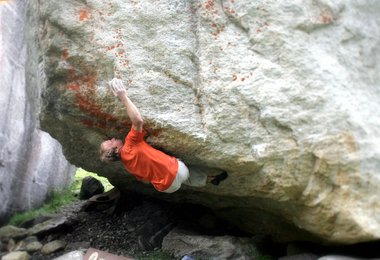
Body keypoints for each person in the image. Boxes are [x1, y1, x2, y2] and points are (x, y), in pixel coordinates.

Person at [99, 78, 228, 193]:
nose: (113, 138)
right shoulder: (130, 144)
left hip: (167, 188)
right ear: (115, 149)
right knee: (181, 169)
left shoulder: (128, 166)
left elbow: (144, 179)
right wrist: (123, 97)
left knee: (183, 178)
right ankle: (204, 178)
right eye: (111, 141)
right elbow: (138, 121)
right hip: (177, 171)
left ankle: (210, 180)